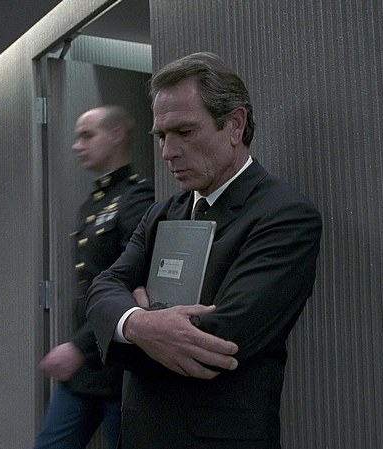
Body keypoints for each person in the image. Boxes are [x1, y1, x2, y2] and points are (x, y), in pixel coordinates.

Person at [86, 52, 322, 448]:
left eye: (184, 132)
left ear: (235, 124)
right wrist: (139, 323)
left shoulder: (284, 216)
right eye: (162, 136)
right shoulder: (161, 213)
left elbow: (219, 341)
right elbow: (103, 288)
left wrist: (124, 324)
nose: (168, 152)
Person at [35, 105, 154, 449]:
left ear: (116, 135)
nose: (77, 146)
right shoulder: (91, 205)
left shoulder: (137, 197)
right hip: (87, 365)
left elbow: (133, 282)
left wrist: (78, 346)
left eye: (87, 136)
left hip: (122, 363)